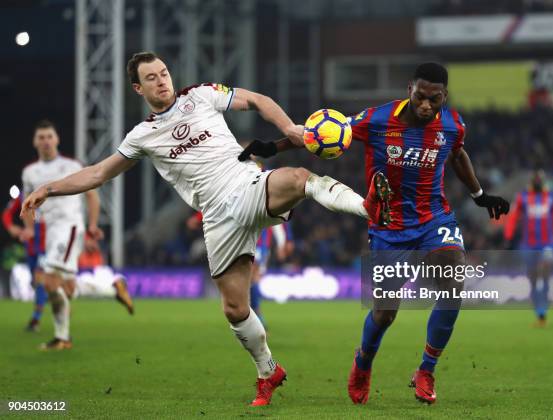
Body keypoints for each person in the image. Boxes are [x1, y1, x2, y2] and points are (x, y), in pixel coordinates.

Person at [21, 51, 389, 407]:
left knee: (298, 179)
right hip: (215, 217)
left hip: (246, 186)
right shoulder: (142, 136)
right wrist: (48, 189)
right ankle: (268, 371)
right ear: (138, 89)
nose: (161, 80)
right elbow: (99, 173)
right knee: (235, 309)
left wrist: (290, 128)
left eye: (163, 72)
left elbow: (258, 99)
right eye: (151, 77)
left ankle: (366, 207)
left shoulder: (200, 95)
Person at [342, 63, 509, 405]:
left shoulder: (453, 124)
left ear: (443, 96)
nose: (426, 105)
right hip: (389, 227)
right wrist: (277, 144)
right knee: (385, 313)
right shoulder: (377, 119)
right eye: (420, 96)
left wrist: (480, 196)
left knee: (453, 278)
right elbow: (330, 132)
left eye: (434, 99)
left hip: (434, 220)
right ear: (409, 89)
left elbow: (458, 154)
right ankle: (363, 363)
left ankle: (426, 369)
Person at [20, 119, 108, 350]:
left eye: (50, 136)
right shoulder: (30, 172)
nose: (46, 141)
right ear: (34, 142)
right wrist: (29, 228)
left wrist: (92, 225)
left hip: (69, 228)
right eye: (41, 137)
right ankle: (112, 286)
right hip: (50, 232)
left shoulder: (71, 165)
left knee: (48, 280)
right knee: (67, 287)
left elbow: (92, 194)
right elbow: (28, 203)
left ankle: (62, 337)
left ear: (57, 139)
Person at [504, 169, 553, 326]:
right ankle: (539, 313)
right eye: (536, 178)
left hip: (548, 244)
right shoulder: (522, 198)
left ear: (544, 180)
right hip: (528, 245)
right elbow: (513, 217)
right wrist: (508, 235)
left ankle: (543, 310)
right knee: (533, 279)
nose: (538, 181)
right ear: (532, 180)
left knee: (545, 273)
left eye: (541, 178)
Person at [2, 192, 47, 331]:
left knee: (40, 279)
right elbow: (7, 214)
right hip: (31, 246)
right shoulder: (24, 194)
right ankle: (55, 299)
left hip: (47, 245)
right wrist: (11, 227)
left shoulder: (50, 191)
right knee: (35, 281)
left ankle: (36, 318)